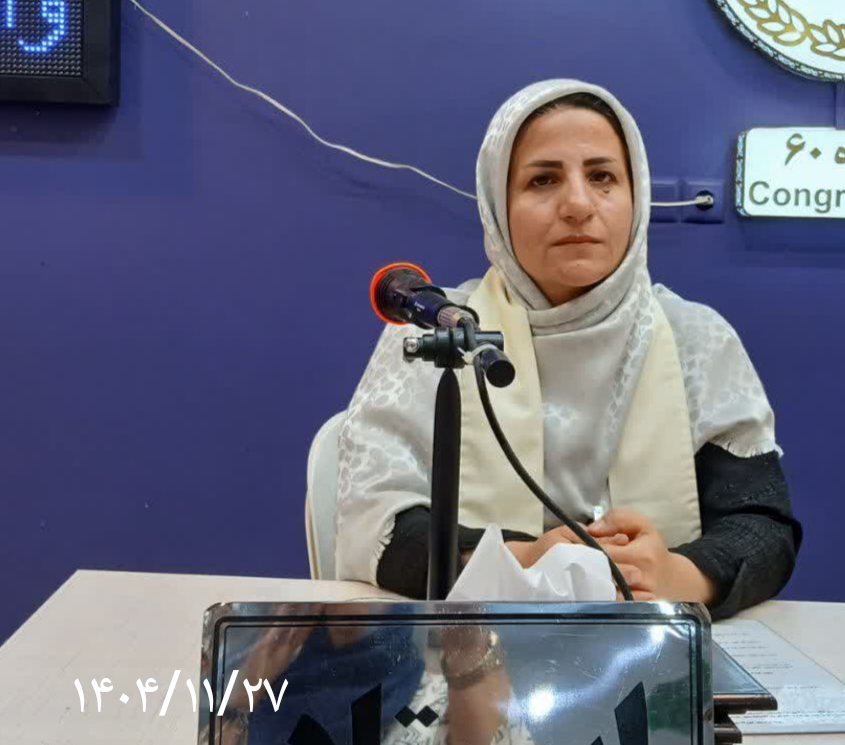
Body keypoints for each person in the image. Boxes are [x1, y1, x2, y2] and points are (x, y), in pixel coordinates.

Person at [335, 79, 801, 619]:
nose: (578, 204)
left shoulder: (695, 337)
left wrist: (678, 575)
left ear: (636, 197)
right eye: (543, 180)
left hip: (655, 643)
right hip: (474, 647)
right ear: (497, 205)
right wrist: (522, 562)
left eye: (602, 177)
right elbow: (374, 522)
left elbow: (761, 524)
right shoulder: (438, 336)